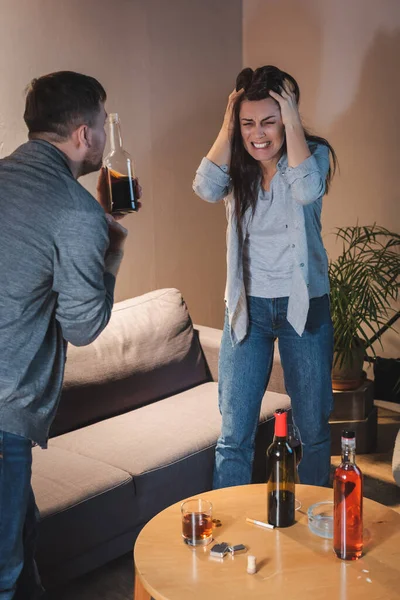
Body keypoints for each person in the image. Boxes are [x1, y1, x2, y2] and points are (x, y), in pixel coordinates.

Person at [0, 71, 141, 599]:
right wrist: (112, 242)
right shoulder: (75, 212)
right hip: (4, 413)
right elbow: (83, 327)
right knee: (5, 574)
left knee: (22, 540)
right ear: (84, 134)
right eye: (103, 126)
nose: (105, 139)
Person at [193, 65, 338, 490]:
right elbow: (203, 186)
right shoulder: (237, 167)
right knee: (233, 434)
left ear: (288, 118)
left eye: (269, 121)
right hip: (247, 309)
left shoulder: (313, 156)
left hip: (303, 306)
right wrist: (226, 122)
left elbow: (308, 190)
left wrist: (290, 119)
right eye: (248, 123)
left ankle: (315, 523)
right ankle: (230, 535)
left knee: (312, 430)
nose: (258, 134)